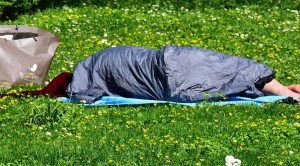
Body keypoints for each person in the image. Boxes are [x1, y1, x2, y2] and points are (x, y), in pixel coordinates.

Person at [66, 45, 300, 103]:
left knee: (221, 70)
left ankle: (282, 91)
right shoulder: (95, 64)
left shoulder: (91, 68)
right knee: (225, 68)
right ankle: (281, 90)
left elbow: (80, 93)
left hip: (167, 64)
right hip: (167, 63)